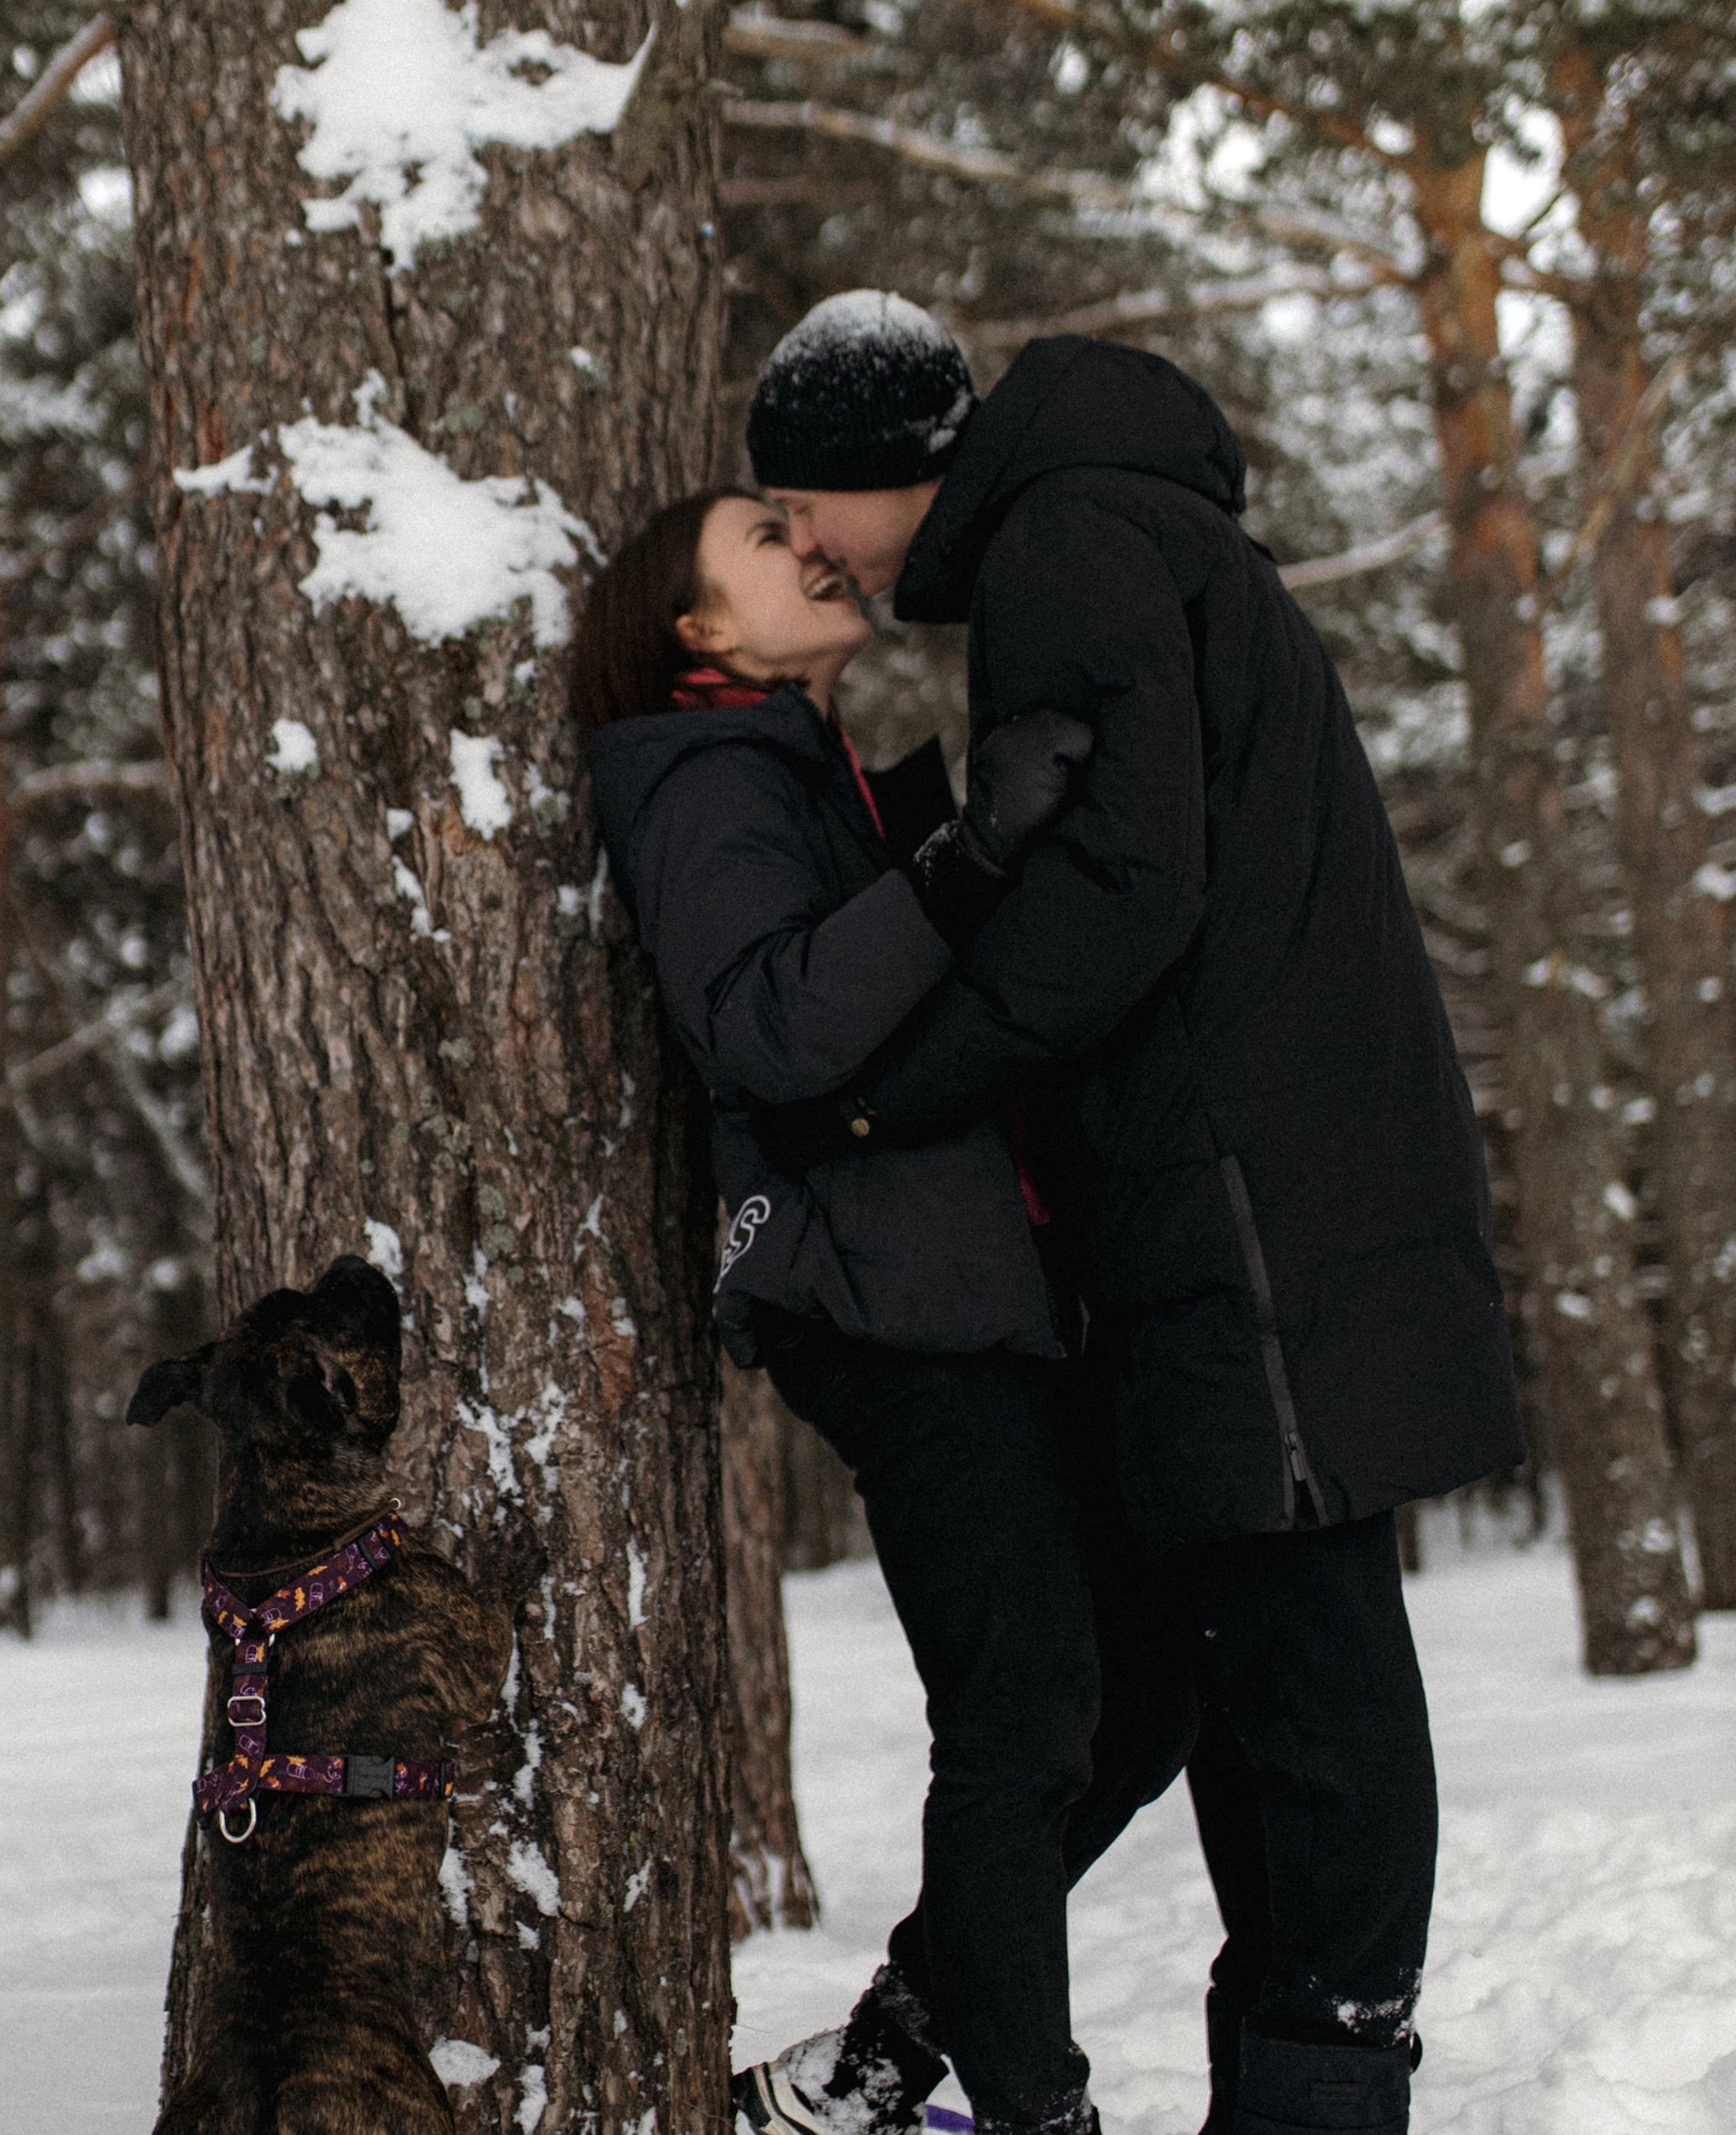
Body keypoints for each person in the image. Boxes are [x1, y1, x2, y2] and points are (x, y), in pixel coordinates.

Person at [735, 291, 1528, 2135]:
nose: (803, 547)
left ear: (887, 473)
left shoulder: (1068, 543)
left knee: (1310, 1676)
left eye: (805, 505)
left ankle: (1322, 2079)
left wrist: (875, 1088)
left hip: (1249, 1193)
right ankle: (1230, 2068)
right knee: (1234, 1671)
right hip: (1240, 1177)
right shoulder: (1110, 524)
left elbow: (1114, 886)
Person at [579, 488, 1197, 2135]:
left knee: (1137, 1688)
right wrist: (963, 853)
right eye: (761, 540)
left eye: (801, 522)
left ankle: (878, 2060)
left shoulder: (803, 768)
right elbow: (766, 1027)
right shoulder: (703, 771)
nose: (809, 545)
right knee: (1020, 1719)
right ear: (699, 632)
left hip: (971, 1296)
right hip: (885, 1300)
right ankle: (1024, 2104)